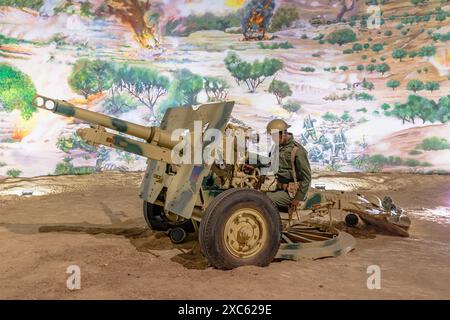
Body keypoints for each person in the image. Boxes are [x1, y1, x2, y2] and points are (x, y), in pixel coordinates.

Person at [265, 119, 312, 212]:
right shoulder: (277, 148)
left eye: (274, 136)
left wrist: (298, 198)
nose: (273, 139)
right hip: (280, 189)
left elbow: (307, 178)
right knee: (257, 195)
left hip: (292, 194)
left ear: (283, 133)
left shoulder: (297, 151)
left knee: (264, 199)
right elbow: (270, 163)